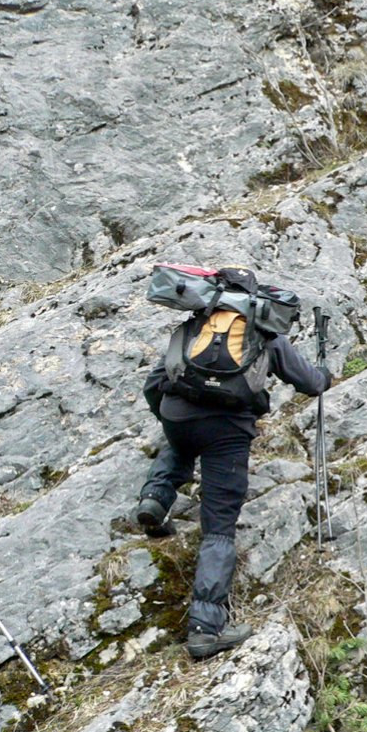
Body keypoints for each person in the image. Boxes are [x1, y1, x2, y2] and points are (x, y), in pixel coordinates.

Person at [138, 268, 331, 659]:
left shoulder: (195, 323)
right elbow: (311, 384)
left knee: (181, 437)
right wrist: (324, 375)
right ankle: (205, 629)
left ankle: (155, 499)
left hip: (179, 416)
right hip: (228, 431)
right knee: (219, 527)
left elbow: (154, 384)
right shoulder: (265, 332)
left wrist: (170, 419)